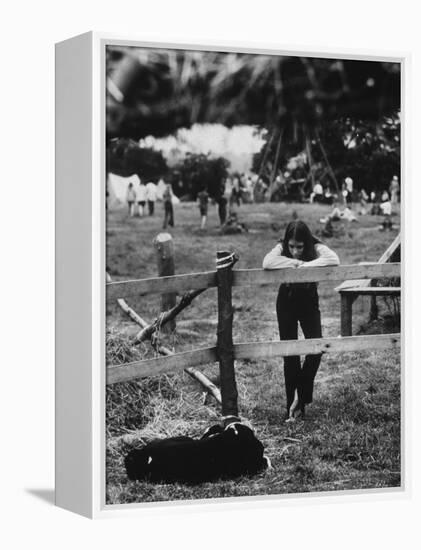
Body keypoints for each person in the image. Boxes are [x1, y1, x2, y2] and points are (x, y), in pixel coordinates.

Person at [262, 221, 339, 421]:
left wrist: (305, 265)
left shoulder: (316, 245)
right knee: (290, 354)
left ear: (306, 242)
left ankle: (301, 395)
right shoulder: (281, 245)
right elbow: (267, 263)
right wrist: (293, 263)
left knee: (317, 347)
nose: (295, 251)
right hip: (286, 300)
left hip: (308, 299)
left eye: (300, 247)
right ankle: (293, 409)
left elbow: (334, 259)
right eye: (291, 246)